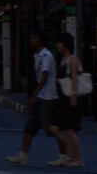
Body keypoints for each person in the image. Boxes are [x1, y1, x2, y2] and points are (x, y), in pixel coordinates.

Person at [6, 29, 67, 166]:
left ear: (41, 40)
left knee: (53, 128)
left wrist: (34, 94)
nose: (31, 40)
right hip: (40, 96)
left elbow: (44, 76)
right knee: (29, 126)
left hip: (48, 98)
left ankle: (64, 154)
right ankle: (23, 154)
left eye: (34, 37)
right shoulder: (37, 55)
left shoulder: (46, 55)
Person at [53, 32, 83, 168]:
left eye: (60, 42)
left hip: (69, 98)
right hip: (61, 99)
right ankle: (71, 154)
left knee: (70, 130)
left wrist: (74, 95)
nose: (57, 45)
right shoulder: (62, 59)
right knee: (55, 128)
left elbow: (75, 78)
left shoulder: (72, 59)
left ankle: (78, 159)